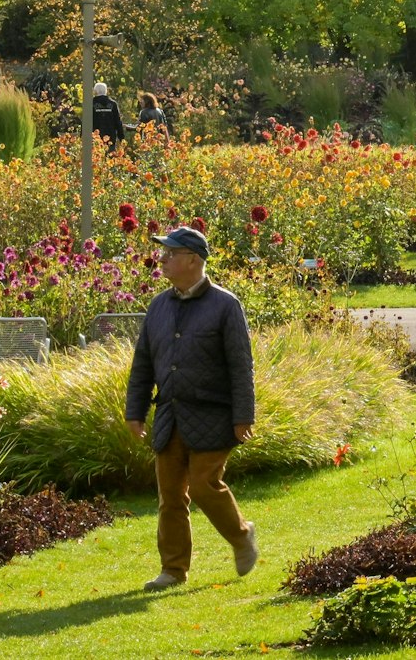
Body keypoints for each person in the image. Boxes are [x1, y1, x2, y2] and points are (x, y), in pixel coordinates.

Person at [125, 226, 259, 591]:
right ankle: (173, 571)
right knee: (170, 497)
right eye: (163, 253)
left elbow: (240, 364)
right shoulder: (158, 307)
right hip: (169, 418)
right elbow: (143, 364)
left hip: (214, 416)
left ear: (193, 260)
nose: (162, 259)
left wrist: (243, 415)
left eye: (170, 253)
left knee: (203, 485)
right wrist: (134, 412)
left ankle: (241, 535)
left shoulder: (226, 305)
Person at [91, 81, 127, 149]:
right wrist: (121, 138)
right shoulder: (113, 104)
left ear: (95, 91)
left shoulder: (91, 104)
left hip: (94, 138)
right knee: (110, 157)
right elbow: (118, 122)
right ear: (106, 91)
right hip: (110, 137)